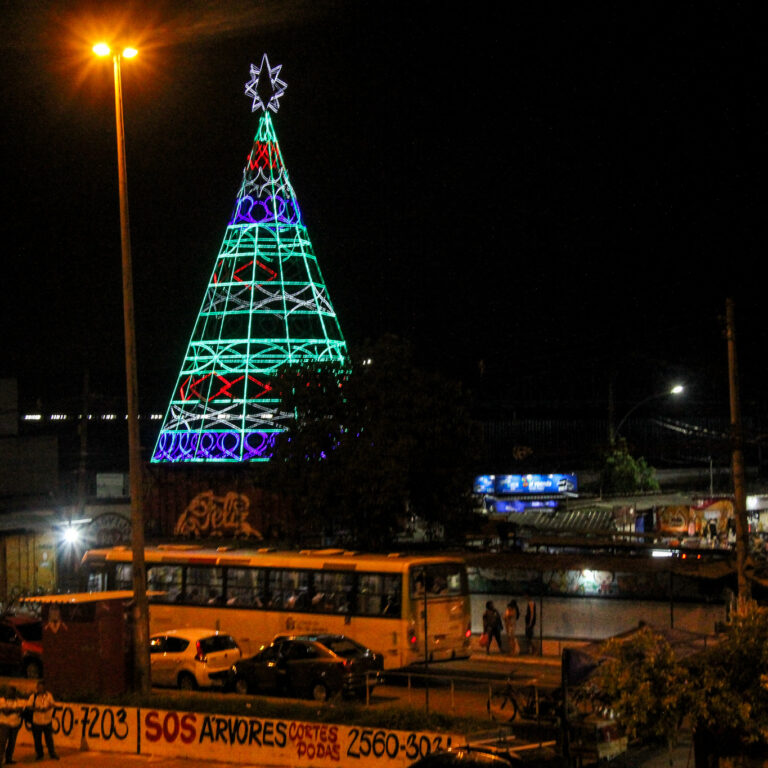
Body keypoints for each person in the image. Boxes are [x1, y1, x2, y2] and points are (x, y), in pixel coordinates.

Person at [28, 680, 59, 761]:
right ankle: (39, 754)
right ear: (37, 688)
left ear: (44, 687)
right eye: (39, 687)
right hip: (37, 721)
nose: (40, 689)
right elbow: (29, 706)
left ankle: (52, 753)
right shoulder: (33, 696)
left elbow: (53, 704)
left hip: (47, 721)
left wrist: (47, 708)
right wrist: (38, 709)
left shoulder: (49, 695)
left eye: (42, 687)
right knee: (37, 740)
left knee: (49, 739)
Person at [3, 686, 24, 765]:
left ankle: (8, 759)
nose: (10, 693)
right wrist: (15, 710)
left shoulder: (19, 701)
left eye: (12, 692)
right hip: (4, 724)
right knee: (2, 743)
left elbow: (20, 710)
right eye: (9, 691)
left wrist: (10, 710)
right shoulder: (2, 700)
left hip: (15, 724)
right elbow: (5, 712)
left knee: (12, 743)